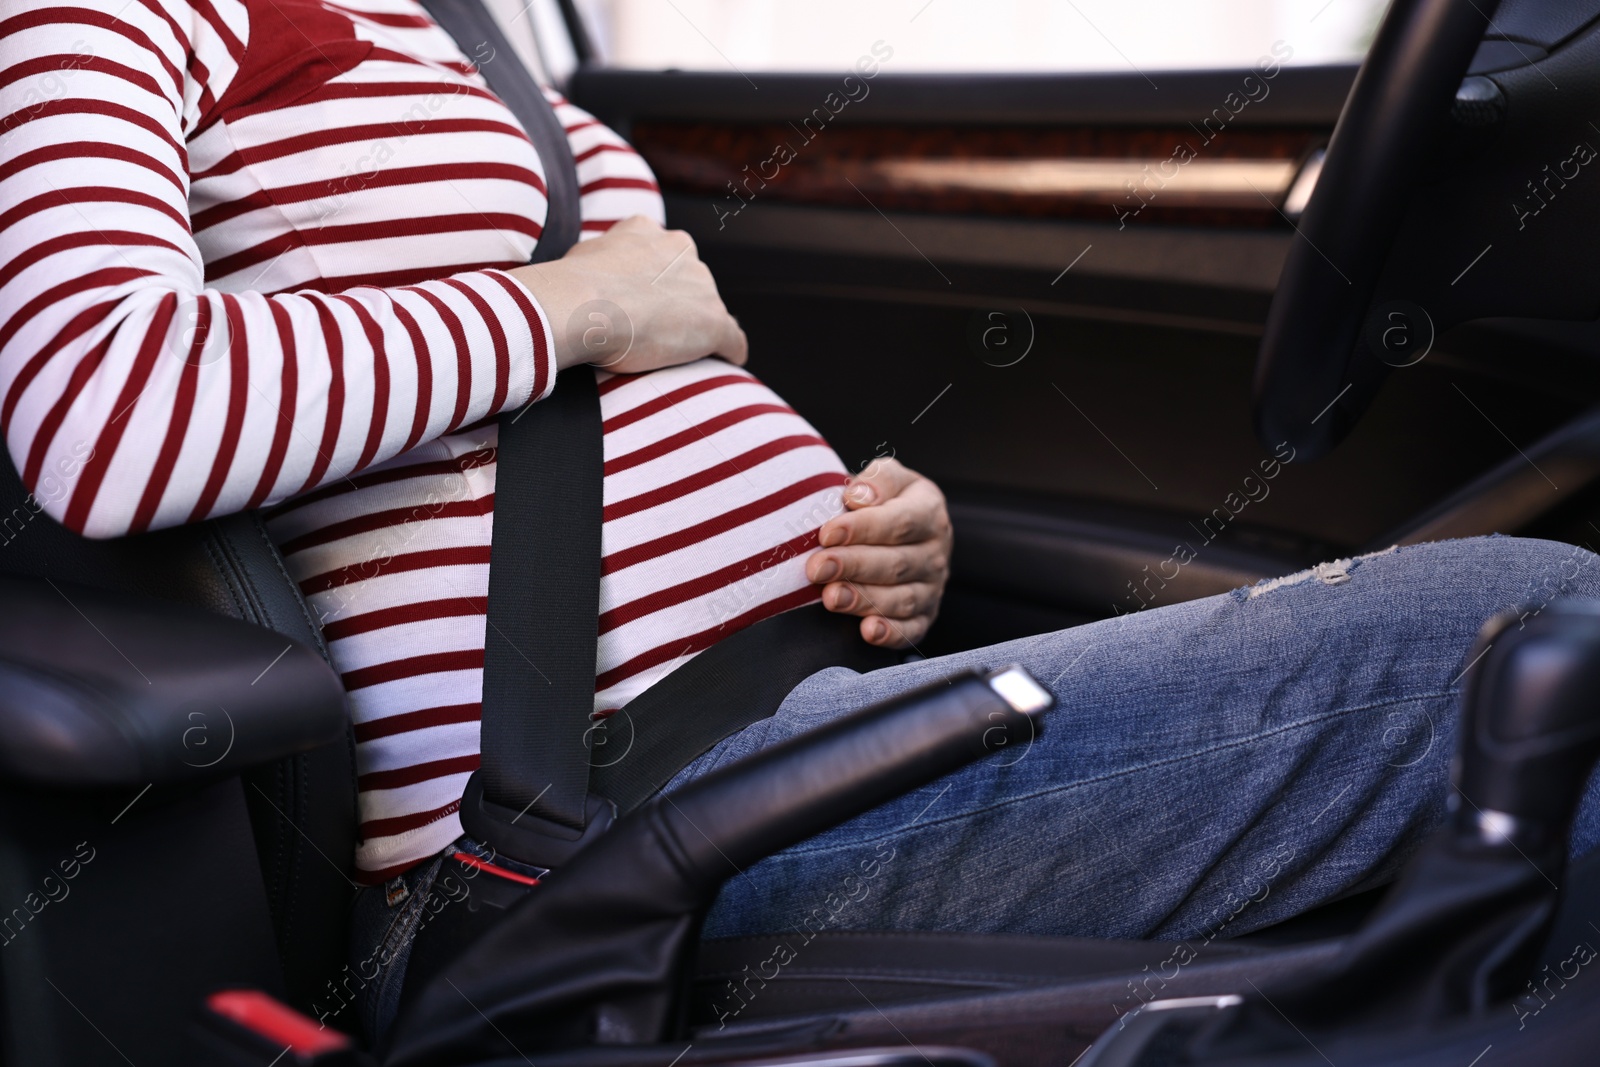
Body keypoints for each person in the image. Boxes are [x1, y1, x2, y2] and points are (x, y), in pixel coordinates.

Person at [5, 0, 1599, 1043]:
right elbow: (96, 407)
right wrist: (570, 304)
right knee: (1531, 640)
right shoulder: (105, 10)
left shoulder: (454, 26)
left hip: (805, 709)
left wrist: (873, 537)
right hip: (596, 828)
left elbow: (620, 406)